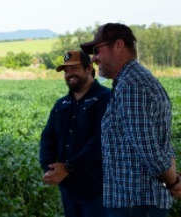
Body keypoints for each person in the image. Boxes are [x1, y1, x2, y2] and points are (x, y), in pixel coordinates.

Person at [81, 23, 181, 217]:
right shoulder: (130, 82)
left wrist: (174, 182)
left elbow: (148, 148)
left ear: (118, 45)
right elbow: (161, 142)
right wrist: (174, 177)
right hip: (134, 203)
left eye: (97, 50)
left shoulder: (132, 85)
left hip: (136, 204)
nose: (94, 59)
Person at [39, 50, 111, 217]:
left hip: (98, 189)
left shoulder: (105, 99)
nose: (69, 74)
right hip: (69, 189)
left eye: (74, 68)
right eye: (66, 71)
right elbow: (47, 138)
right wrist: (49, 168)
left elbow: (101, 141)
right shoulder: (61, 104)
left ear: (88, 68)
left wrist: (69, 167)